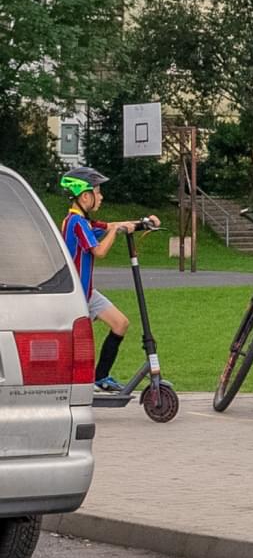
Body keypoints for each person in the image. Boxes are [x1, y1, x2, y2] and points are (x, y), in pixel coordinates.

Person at [58, 172, 161, 407]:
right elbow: (100, 251)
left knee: (120, 323)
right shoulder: (75, 223)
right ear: (85, 197)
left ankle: (101, 377)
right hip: (76, 296)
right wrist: (115, 232)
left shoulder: (84, 222)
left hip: (87, 292)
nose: (101, 197)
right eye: (97, 192)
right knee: (77, 348)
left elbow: (114, 225)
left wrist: (143, 223)